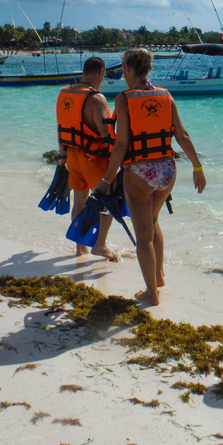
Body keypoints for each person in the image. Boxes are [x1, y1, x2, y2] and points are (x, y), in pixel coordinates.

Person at [95, 49, 206, 305]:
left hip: (139, 174)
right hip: (167, 171)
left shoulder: (124, 99)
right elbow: (183, 135)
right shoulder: (166, 95)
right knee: (153, 220)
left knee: (143, 236)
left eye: (124, 69)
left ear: (128, 70)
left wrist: (106, 180)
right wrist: (198, 168)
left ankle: (152, 294)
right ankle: (158, 277)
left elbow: (121, 145)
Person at [57, 56, 118, 261]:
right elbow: (105, 134)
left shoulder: (65, 93)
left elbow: (61, 128)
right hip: (93, 159)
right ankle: (99, 245)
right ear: (101, 73)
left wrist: (62, 157)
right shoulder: (96, 98)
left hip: (73, 156)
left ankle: (80, 247)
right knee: (107, 202)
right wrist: (117, 161)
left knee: (79, 201)